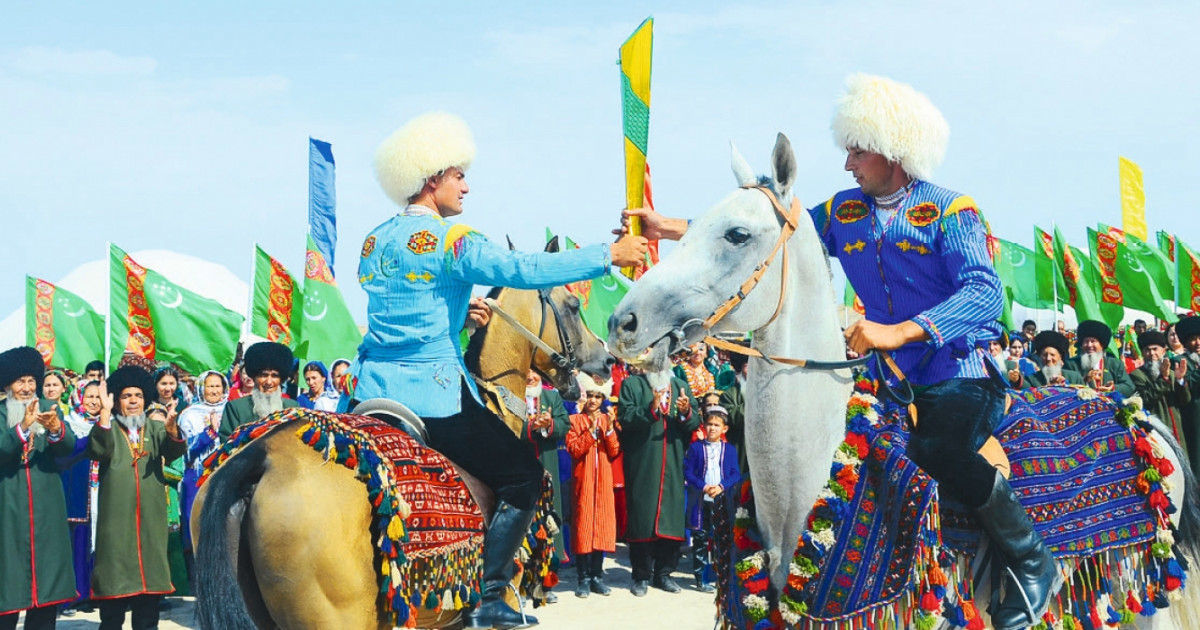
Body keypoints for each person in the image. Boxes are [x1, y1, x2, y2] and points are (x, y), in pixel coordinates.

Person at [624, 73, 1058, 630]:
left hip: (955, 375)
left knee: (934, 451)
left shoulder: (954, 211)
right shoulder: (845, 212)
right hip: (878, 376)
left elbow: (984, 293)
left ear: (894, 151)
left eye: (858, 151)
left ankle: (1029, 557)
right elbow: (768, 230)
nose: (849, 164)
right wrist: (670, 228)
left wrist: (901, 331)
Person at [350, 111, 648, 629]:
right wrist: (609, 255)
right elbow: (525, 270)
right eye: (458, 174)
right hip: (433, 392)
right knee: (523, 476)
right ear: (430, 178)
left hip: (369, 389)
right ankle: (489, 595)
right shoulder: (452, 240)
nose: (466, 186)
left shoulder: (373, 242)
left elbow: (405, 310)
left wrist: (459, 317)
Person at [87, 367, 185, 629]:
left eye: (138, 396)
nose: (132, 401)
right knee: (113, 603)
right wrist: (105, 414)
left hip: (150, 525)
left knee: (148, 605)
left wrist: (173, 428)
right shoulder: (107, 429)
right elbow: (98, 449)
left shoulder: (154, 427)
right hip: (116, 525)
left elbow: (173, 450)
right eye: (126, 396)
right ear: (116, 399)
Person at [0, 346, 76, 630]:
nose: (27, 387)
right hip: (8, 506)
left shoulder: (47, 407)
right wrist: (22, 427)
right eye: (20, 381)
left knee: (47, 589)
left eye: (32, 381)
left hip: (47, 508)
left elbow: (67, 449)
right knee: (7, 587)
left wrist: (57, 429)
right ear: (7, 384)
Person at [618, 367, 698, 596]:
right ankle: (640, 576)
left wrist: (686, 413)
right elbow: (625, 417)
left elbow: (695, 423)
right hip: (643, 461)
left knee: (671, 519)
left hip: (673, 460)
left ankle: (663, 574)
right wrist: (651, 408)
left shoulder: (680, 385)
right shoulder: (632, 384)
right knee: (643, 518)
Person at [564, 374, 620, 599]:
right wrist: (590, 431)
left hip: (604, 481)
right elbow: (575, 449)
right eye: (591, 396)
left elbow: (614, 450)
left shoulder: (607, 420)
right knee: (584, 525)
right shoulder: (575, 421)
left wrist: (608, 430)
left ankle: (597, 577)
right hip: (584, 480)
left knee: (602, 527)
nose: (594, 400)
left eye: (598, 396)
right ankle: (583, 578)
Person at [682, 406, 740, 593]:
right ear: (704, 426)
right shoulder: (696, 448)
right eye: (709, 424)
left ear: (724, 429)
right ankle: (701, 578)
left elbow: (735, 474)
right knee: (700, 540)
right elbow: (688, 472)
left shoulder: (729, 450)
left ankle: (720, 576)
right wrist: (704, 486)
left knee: (721, 539)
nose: (713, 428)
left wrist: (721, 486)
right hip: (701, 501)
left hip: (721, 501)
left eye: (717, 425)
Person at [176, 370, 229, 575]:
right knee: (195, 523)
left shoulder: (230, 409)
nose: (214, 390)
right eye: (210, 386)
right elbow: (186, 451)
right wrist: (209, 432)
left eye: (218, 386)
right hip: (196, 476)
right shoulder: (189, 414)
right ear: (201, 388)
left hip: (223, 473)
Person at [60, 379, 104, 615]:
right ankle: (73, 596)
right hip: (76, 494)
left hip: (101, 492)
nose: (94, 402)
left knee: (99, 543)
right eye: (89, 396)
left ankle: (95, 593)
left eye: (98, 397)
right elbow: (65, 454)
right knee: (78, 544)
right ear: (78, 397)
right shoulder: (68, 424)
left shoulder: (109, 424)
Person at [522, 370, 569, 574]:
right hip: (520, 466)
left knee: (548, 516)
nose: (530, 376)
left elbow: (564, 424)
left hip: (546, 464)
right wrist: (531, 427)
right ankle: (522, 576)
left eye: (535, 372)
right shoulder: (512, 395)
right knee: (522, 518)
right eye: (527, 371)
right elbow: (507, 425)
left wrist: (550, 424)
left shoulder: (552, 397)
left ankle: (546, 579)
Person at [218, 342, 299, 439]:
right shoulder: (236, 408)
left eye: (274, 376)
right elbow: (227, 444)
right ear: (254, 377)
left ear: (281, 379)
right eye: (264, 375)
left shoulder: (293, 407)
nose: (269, 382)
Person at [1130, 330, 1190, 450]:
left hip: (1177, 430)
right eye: (1147, 349)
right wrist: (1163, 379)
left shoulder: (1172, 373)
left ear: (1163, 351)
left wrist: (1180, 380)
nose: (1151, 353)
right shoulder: (1137, 375)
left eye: (1155, 349)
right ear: (1142, 352)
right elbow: (1146, 399)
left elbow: (1185, 400)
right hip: (1154, 431)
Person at [1064, 320, 1135, 396]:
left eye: (1093, 341)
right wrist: (1084, 380)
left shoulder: (1115, 364)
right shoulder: (1071, 364)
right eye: (1086, 341)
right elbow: (1066, 388)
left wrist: (1113, 388)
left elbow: (1129, 387)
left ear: (1102, 345)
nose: (1089, 345)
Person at [717, 349, 750, 474]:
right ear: (741, 370)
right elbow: (734, 417)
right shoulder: (729, 395)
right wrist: (756, 405)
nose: (752, 371)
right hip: (742, 451)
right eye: (748, 366)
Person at [1176, 316, 1200, 473]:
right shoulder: (1179, 361)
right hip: (1194, 420)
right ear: (1185, 342)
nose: (1198, 343)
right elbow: (1187, 382)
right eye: (1193, 339)